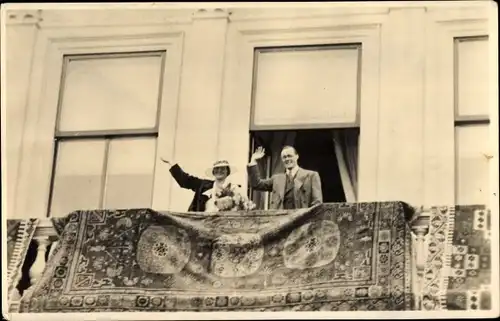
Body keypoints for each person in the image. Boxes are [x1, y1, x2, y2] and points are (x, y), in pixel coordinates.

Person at [161, 158, 255, 212]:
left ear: (227, 171)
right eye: (217, 169)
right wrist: (171, 163)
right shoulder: (203, 185)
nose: (219, 171)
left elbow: (246, 206)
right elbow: (186, 180)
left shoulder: (236, 189)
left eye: (223, 168)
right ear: (213, 172)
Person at [247, 146, 323, 210]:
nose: (287, 159)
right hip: (280, 222)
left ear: (297, 156)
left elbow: (317, 203)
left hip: (302, 222)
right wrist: (253, 160)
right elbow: (256, 184)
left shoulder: (311, 175)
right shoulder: (276, 179)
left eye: (289, 156)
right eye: (284, 157)